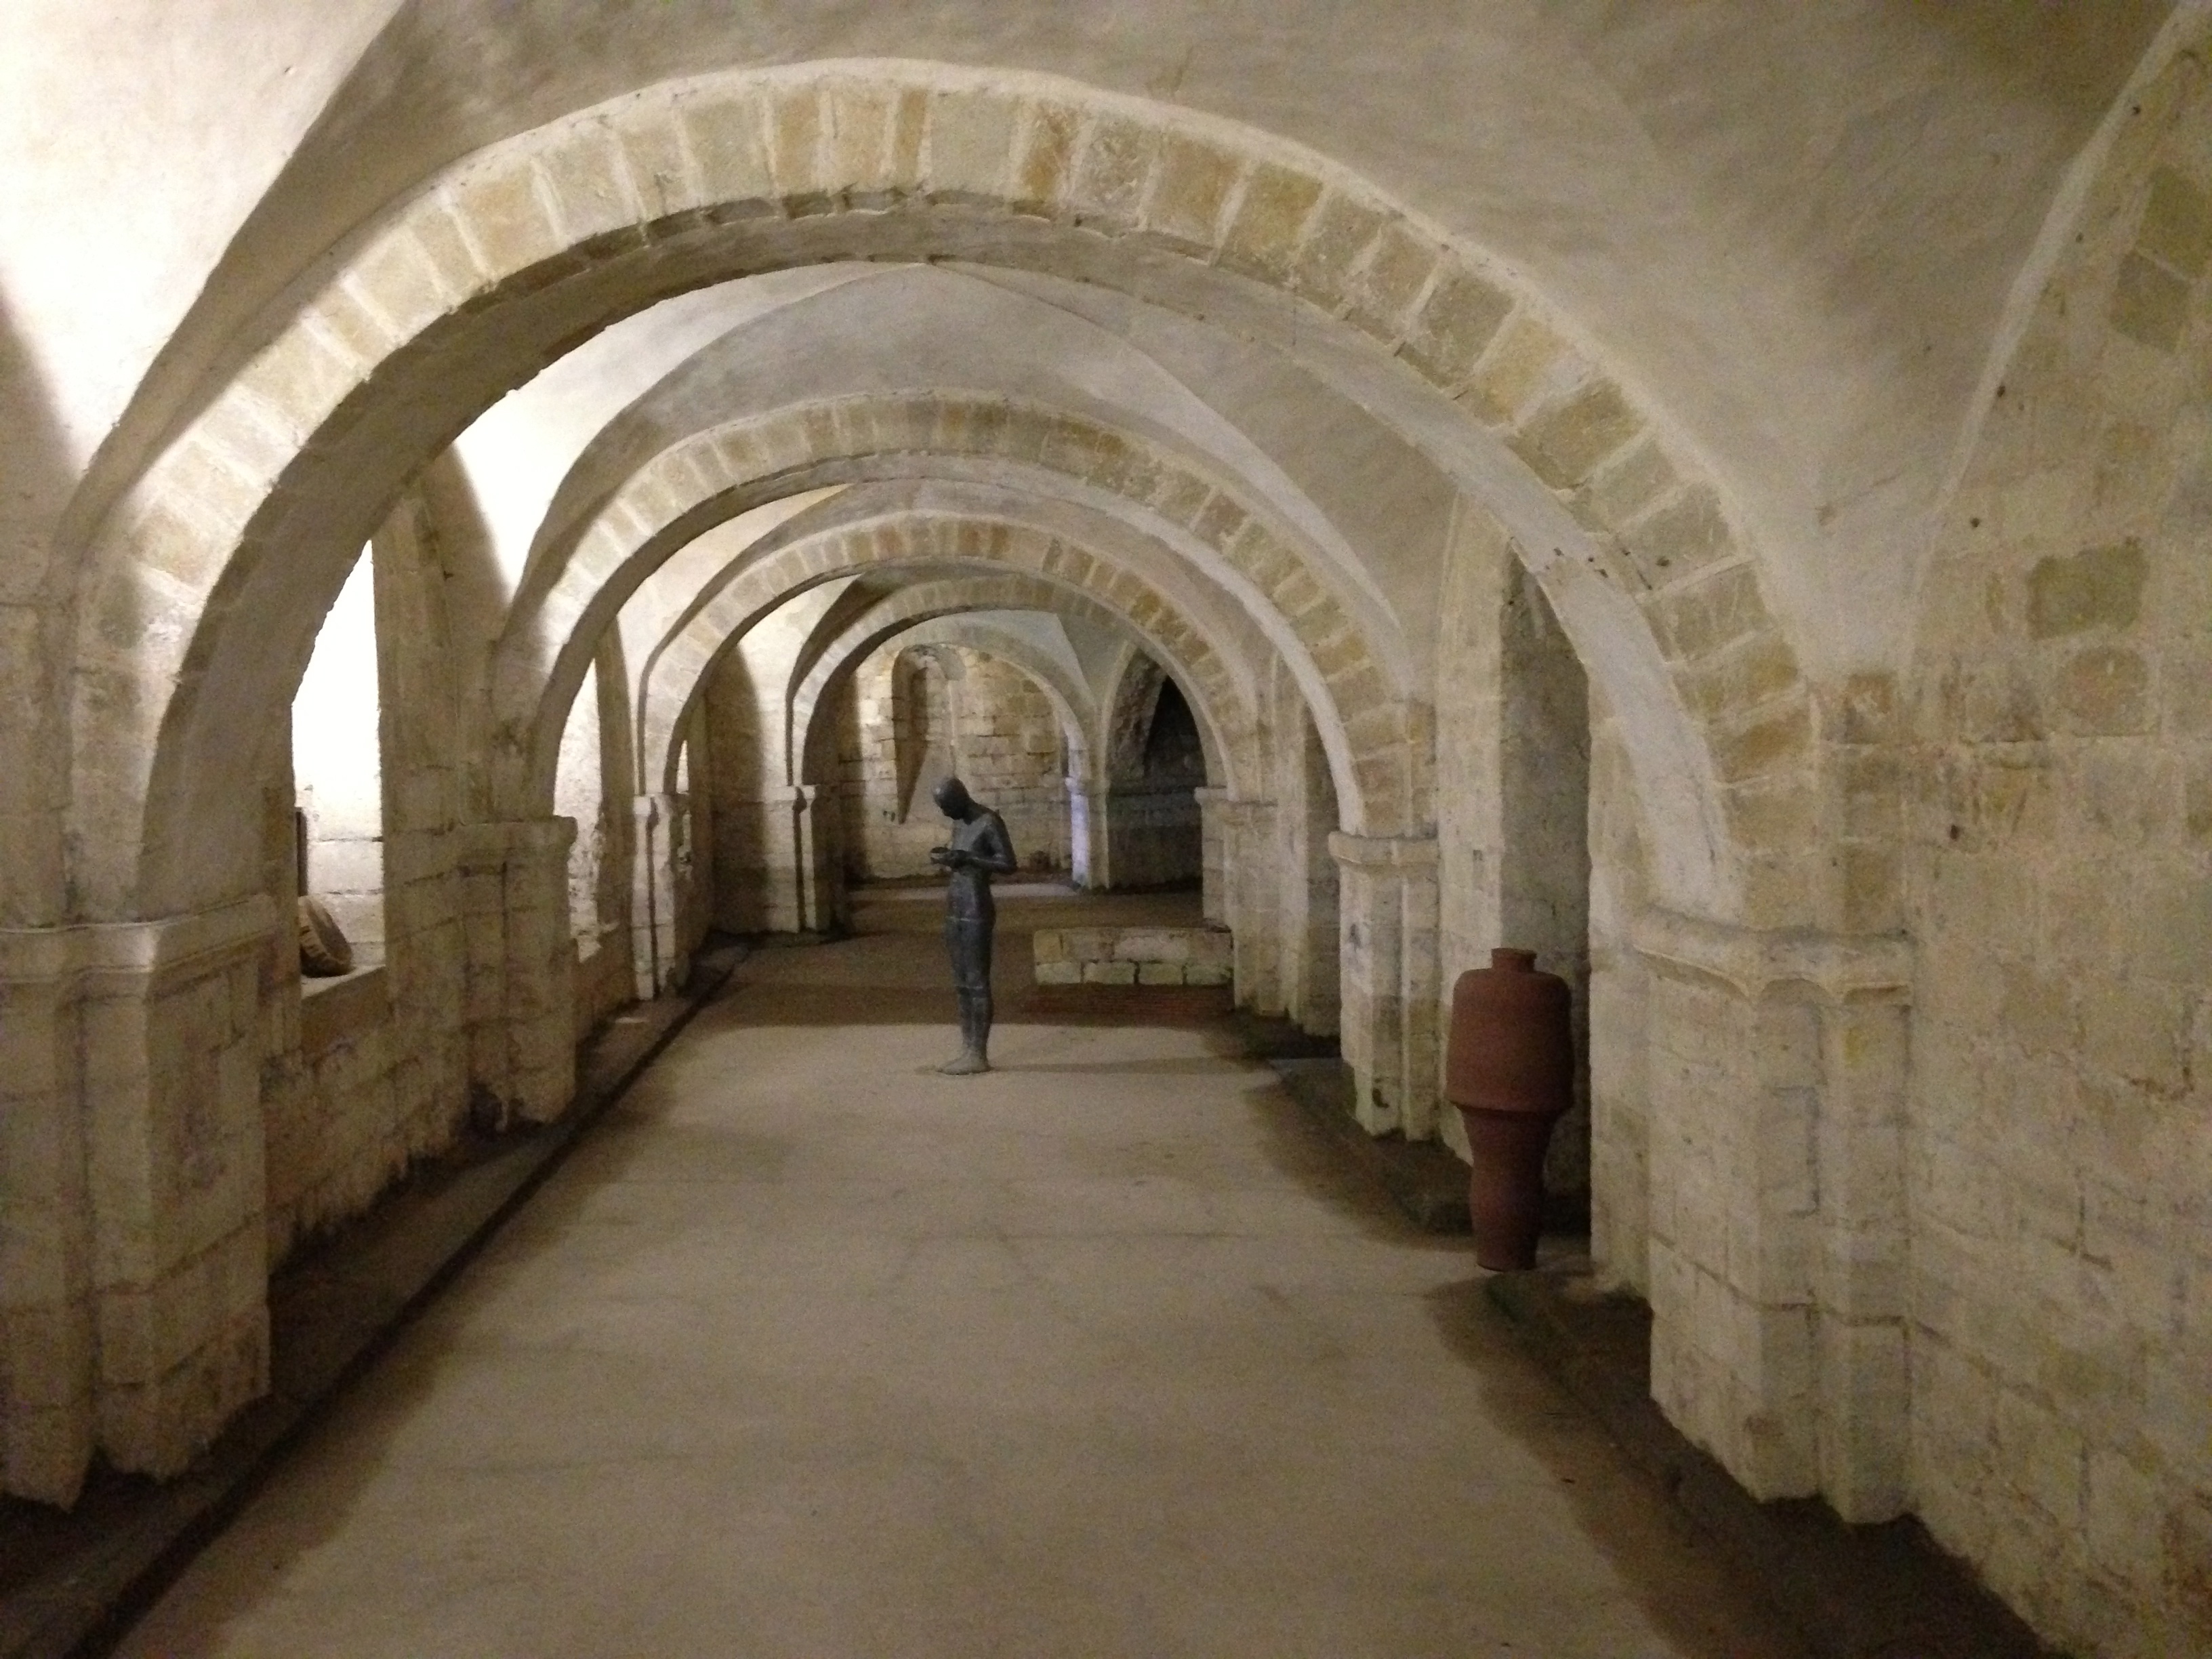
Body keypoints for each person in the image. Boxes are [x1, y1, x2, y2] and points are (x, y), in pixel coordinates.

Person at [928, 776, 1018, 1073]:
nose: (945, 813)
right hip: (955, 903)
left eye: (946, 806)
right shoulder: (959, 822)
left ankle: (978, 1052)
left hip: (977, 905)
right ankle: (967, 1047)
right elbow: (963, 858)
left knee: (977, 982)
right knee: (961, 982)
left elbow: (1008, 864)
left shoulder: (988, 822)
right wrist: (950, 858)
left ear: (960, 798)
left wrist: (969, 858)